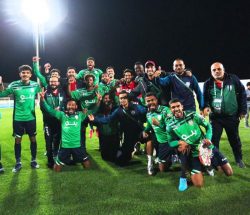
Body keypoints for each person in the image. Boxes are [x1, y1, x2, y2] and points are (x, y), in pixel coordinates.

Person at [167, 98, 233, 190]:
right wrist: (179, 142)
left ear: (182, 107)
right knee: (198, 184)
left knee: (229, 172)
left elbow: (208, 126)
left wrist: (208, 138)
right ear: (170, 109)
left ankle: (208, 165)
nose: (176, 109)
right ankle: (196, 168)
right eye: (173, 107)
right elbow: (170, 142)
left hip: (207, 148)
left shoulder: (193, 115)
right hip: (194, 153)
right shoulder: (170, 125)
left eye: (178, 106)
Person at [203, 62, 247, 168]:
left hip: (231, 116)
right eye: (214, 70)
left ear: (223, 69)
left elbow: (242, 94)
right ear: (211, 71)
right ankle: (215, 161)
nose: (217, 71)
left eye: (219, 69)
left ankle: (238, 159)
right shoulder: (208, 83)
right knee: (214, 140)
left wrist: (243, 110)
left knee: (234, 139)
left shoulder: (233, 79)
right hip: (215, 118)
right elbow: (205, 99)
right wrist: (206, 107)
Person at [0, 65, 41, 173]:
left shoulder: (35, 85)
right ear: (20, 74)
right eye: (23, 73)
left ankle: (33, 160)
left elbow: (44, 85)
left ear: (30, 75)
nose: (25, 74)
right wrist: (0, 84)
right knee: (18, 140)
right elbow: (2, 94)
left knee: (33, 139)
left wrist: (39, 68)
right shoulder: (14, 85)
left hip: (31, 118)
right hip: (18, 119)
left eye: (27, 73)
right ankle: (18, 162)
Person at [89, 90, 147, 166]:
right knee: (120, 162)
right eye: (121, 98)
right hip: (128, 136)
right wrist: (95, 119)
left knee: (153, 141)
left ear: (128, 99)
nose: (122, 100)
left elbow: (147, 113)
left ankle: (150, 161)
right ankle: (130, 155)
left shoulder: (136, 107)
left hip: (140, 132)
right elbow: (108, 119)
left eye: (124, 98)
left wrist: (146, 129)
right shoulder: (118, 111)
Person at [40, 92, 91, 172]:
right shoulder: (61, 115)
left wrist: (98, 101)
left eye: (73, 105)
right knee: (56, 169)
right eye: (69, 105)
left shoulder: (81, 115)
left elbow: (93, 110)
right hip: (64, 146)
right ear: (66, 106)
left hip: (77, 145)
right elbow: (50, 110)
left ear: (76, 106)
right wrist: (43, 100)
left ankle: (89, 176)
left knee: (86, 163)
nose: (71, 106)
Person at [143, 92, 173, 175]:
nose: (150, 102)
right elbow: (149, 125)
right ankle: (151, 162)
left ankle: (174, 156)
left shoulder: (165, 110)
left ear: (157, 100)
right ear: (145, 103)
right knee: (162, 169)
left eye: (152, 100)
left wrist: (159, 124)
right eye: (148, 101)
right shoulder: (148, 114)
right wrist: (145, 130)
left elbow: (171, 128)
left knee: (163, 168)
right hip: (161, 142)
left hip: (170, 140)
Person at [94, 93, 120, 162]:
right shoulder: (100, 109)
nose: (107, 100)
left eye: (109, 98)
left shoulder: (115, 108)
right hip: (103, 135)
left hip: (114, 135)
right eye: (105, 98)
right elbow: (94, 113)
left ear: (111, 99)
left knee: (114, 156)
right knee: (105, 157)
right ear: (102, 99)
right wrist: (98, 101)